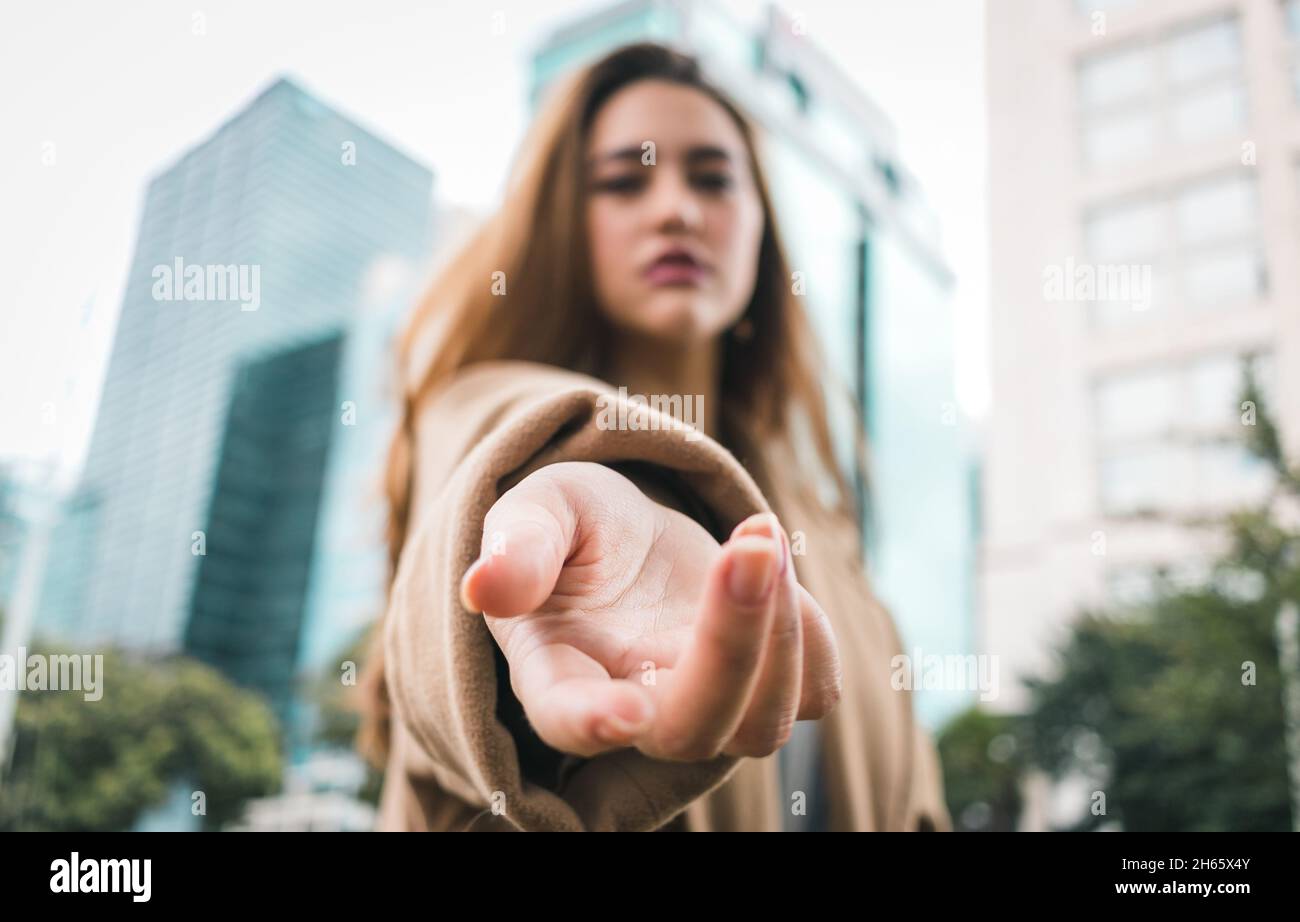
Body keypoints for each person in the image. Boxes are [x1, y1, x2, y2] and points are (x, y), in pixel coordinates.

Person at [358, 42, 951, 832]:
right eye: (624, 181)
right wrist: (561, 490)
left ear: (761, 234)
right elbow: (492, 456)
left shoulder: (838, 556)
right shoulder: (485, 417)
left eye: (712, 178)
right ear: (566, 225)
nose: (675, 208)